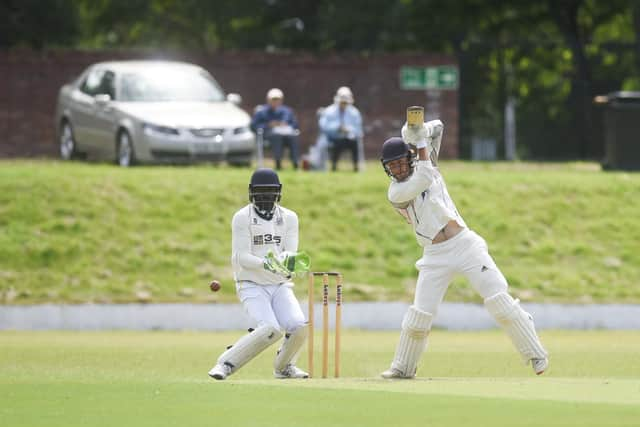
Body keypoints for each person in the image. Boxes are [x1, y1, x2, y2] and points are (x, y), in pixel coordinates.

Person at [379, 113, 549, 379]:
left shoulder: (426, 159)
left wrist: (413, 131)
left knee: (498, 300)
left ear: (409, 158)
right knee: (420, 315)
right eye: (392, 166)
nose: (397, 170)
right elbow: (423, 175)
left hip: (465, 244)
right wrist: (419, 141)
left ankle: (535, 353)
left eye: (400, 163)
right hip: (434, 254)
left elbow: (439, 127)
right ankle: (403, 367)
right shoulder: (396, 192)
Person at [208, 168, 309, 380]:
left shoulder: (290, 218)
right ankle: (224, 364)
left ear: (278, 193)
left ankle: (284, 368)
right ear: (251, 193)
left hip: (280, 285)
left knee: (299, 327)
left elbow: (289, 252)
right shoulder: (242, 217)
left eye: (270, 192)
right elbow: (241, 257)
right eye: (261, 192)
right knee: (270, 329)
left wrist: (289, 264)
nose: (265, 197)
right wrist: (268, 264)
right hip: (251, 284)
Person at [251, 88, 300, 170]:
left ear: (281, 100)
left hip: (286, 134)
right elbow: (253, 125)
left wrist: (286, 125)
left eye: (277, 99)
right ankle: (278, 162)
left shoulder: (287, 111)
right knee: (277, 137)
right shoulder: (261, 111)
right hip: (269, 135)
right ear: (268, 100)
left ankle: (295, 163)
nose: (275, 101)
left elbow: (295, 124)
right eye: (273, 99)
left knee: (293, 137)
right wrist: (268, 125)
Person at [318, 86, 363, 172]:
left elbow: (358, 130)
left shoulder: (354, 112)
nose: (343, 104)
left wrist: (349, 130)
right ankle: (334, 166)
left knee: (354, 143)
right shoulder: (329, 111)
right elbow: (323, 126)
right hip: (334, 138)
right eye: (342, 102)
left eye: (345, 103)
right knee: (337, 144)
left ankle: (356, 166)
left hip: (349, 138)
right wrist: (337, 128)